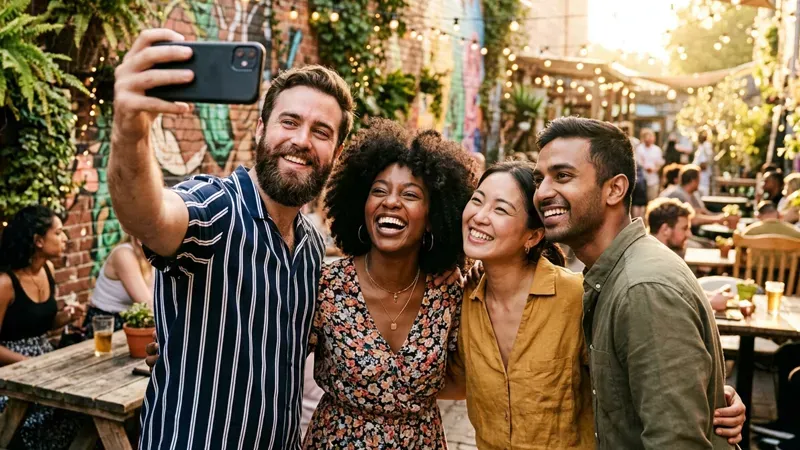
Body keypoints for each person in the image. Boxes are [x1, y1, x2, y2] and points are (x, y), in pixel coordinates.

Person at [109, 29, 354, 449]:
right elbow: (149, 217)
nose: (301, 140)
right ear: (260, 129)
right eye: (289, 122)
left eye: (321, 131)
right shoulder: (216, 208)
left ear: (337, 150)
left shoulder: (312, 246)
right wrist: (130, 132)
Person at [533, 117, 738, 448]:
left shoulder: (642, 289)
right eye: (539, 179)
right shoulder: (612, 275)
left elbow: (676, 441)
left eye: (563, 176)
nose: (542, 192)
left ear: (615, 189)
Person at [304, 120, 475, 448]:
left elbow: (466, 380)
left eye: (410, 194)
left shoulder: (448, 293)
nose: (391, 202)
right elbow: (279, 368)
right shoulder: (327, 286)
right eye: (379, 191)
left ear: (433, 217)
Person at [445, 161, 596, 448]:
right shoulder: (464, 299)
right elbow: (457, 382)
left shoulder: (574, 296)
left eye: (501, 209)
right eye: (477, 200)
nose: (480, 216)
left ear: (533, 236)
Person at [0, 206, 85, 449]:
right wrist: (29, 363)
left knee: (80, 407)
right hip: (11, 374)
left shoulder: (48, 270)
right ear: (38, 241)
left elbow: (41, 325)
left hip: (45, 362)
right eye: (58, 233)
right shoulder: (5, 283)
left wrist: (65, 317)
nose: (65, 238)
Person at [645, 198, 732, 311]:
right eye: (684, 228)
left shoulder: (662, 253)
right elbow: (662, 302)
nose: (689, 234)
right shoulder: (651, 258)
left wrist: (712, 295)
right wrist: (709, 302)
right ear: (665, 229)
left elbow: (679, 291)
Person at [83, 235, 154, 337]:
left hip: (132, 322)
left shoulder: (154, 255)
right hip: (105, 324)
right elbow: (147, 304)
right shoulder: (124, 254)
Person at [634, 128, 664, 202]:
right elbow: (638, 162)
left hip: (654, 179)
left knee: (652, 199)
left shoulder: (657, 149)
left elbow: (659, 163)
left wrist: (654, 169)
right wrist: (645, 168)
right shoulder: (639, 149)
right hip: (642, 179)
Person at [693, 130, 714, 196]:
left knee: (703, 189)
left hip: (703, 174)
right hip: (698, 173)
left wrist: (700, 166)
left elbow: (706, 160)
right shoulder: (701, 146)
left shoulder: (706, 145)